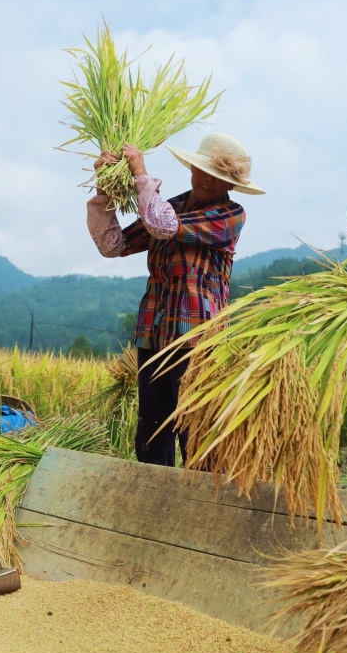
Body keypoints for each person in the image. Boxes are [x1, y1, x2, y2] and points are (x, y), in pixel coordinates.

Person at [86, 133, 264, 467]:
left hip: (197, 339)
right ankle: (154, 509)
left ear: (232, 186)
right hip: (153, 334)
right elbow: (114, 245)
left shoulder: (230, 214)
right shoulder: (173, 204)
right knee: (151, 435)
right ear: (193, 169)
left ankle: (204, 511)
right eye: (205, 171)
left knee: (197, 436)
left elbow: (164, 226)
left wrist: (140, 174)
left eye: (221, 178)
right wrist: (106, 189)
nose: (210, 181)